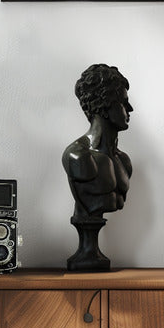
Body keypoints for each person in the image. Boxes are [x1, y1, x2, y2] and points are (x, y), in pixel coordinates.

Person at [62, 64, 132, 270]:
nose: (130, 109)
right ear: (106, 105)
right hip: (84, 257)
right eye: (123, 103)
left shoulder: (124, 161)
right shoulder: (77, 156)